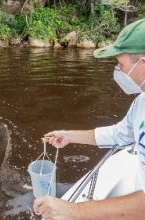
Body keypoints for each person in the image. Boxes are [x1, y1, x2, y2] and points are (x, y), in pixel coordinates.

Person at [33, 18, 145, 220]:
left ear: (143, 63)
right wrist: (68, 136)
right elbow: (117, 135)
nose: (117, 70)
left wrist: (73, 211)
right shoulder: (141, 103)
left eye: (119, 63)